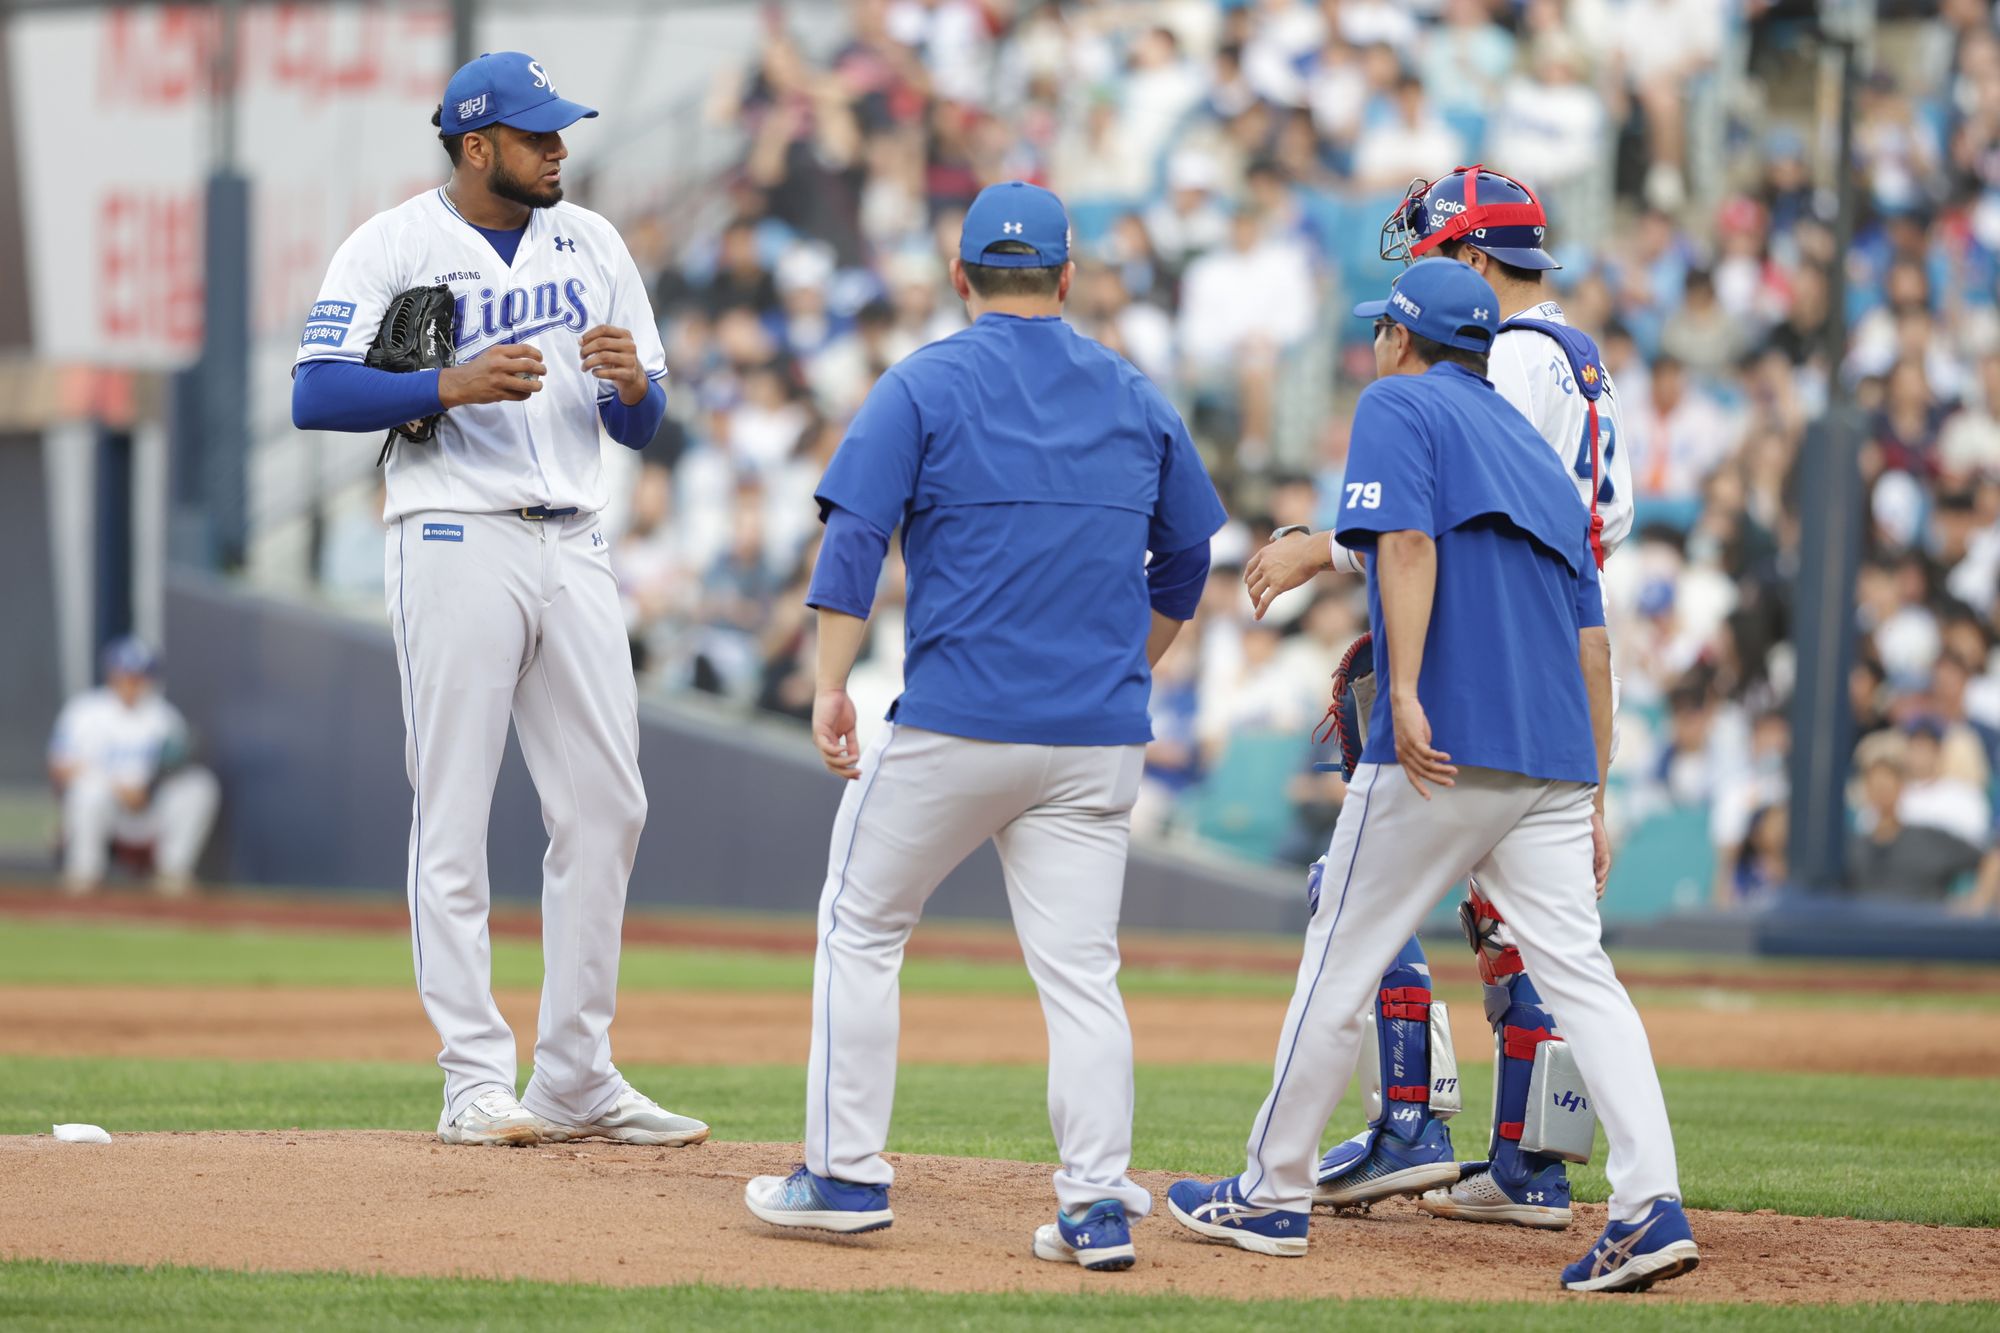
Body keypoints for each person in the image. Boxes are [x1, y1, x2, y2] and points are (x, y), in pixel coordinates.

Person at [1169, 259, 1698, 1295]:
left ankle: (1270, 1191)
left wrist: (1404, 689)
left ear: (1403, 339)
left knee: (1338, 955)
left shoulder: (1398, 404)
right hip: (1553, 754)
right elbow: (1592, 645)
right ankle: (1649, 1205)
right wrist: (1592, 792)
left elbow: (1405, 543)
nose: (1376, 343)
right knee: (1583, 979)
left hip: (1445, 741)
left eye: (1383, 329)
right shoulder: (1538, 457)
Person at [740, 182, 1227, 1273]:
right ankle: (1096, 1203)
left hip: (957, 723)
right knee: (1082, 974)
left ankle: (842, 1176)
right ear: (1067, 277)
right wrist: (1129, 664)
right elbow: (1189, 556)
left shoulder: (921, 382)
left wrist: (829, 682)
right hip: (1095, 737)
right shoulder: (1132, 390)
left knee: (861, 926)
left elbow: (854, 537)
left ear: (960, 275)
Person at [289, 52, 705, 1151]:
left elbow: (640, 423)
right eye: (536, 133)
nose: (559, 147)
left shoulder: (593, 241)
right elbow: (314, 391)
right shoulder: (392, 244)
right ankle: (473, 1077)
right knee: (454, 809)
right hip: (452, 531)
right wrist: (445, 383)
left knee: (608, 806)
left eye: (559, 130)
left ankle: (575, 1074)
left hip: (575, 537)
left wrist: (632, 385)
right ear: (476, 147)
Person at [1243, 166, 1634, 1231]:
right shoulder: (1579, 356)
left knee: (1351, 890)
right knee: (1533, 926)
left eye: (1431, 254)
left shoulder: (1503, 355)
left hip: (1491, 637)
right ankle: (1530, 1160)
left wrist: (1324, 550)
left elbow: (1451, 502)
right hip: (1570, 634)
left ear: (1467, 258)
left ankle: (1406, 1121)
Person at [48, 638, 219, 897]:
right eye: (125, 674)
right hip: (106, 808)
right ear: (112, 674)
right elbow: (59, 766)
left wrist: (152, 786)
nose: (131, 682)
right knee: (90, 790)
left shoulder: (164, 716)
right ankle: (83, 874)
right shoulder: (84, 711)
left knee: (200, 785)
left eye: (139, 676)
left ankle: (172, 873)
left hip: (148, 808)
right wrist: (117, 787)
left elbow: (174, 769)